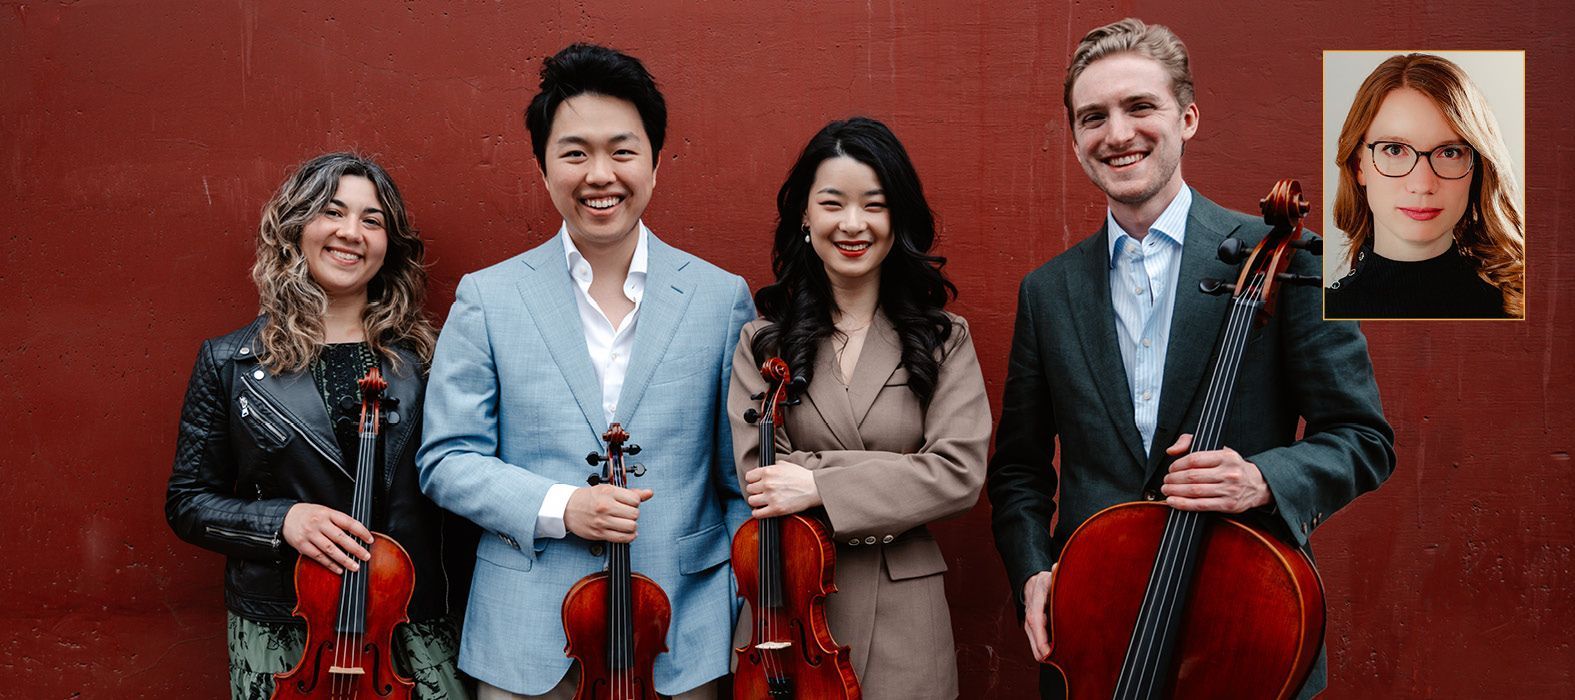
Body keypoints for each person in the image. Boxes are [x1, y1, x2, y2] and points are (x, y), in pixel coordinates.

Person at [985, 18, 1396, 699]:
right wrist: (1033, 570)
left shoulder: (1296, 259)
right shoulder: (1047, 292)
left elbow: (1362, 438)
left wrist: (1260, 479)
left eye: (1139, 107)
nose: (1117, 133)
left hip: (1240, 628)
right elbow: (1019, 473)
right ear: (1076, 139)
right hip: (1096, 636)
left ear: (1187, 118)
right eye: (1093, 117)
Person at [416, 44, 753, 699]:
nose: (600, 174)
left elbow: (736, 480)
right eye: (574, 153)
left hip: (682, 636)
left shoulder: (719, 298)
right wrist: (562, 507)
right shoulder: (489, 297)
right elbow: (447, 459)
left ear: (655, 162)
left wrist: (739, 608)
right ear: (543, 168)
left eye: (622, 151)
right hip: (527, 639)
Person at [165, 152, 473, 699]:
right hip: (285, 628)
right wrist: (282, 520)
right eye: (332, 212)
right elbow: (188, 502)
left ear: (389, 244)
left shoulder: (431, 362)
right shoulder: (230, 361)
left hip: (411, 623)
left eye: (372, 220)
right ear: (296, 227)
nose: (351, 232)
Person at [729, 117, 990, 699]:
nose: (853, 224)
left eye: (874, 205)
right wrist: (901, 473)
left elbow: (958, 473)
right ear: (805, 216)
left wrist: (818, 484)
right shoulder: (762, 343)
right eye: (832, 203)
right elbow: (762, 477)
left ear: (897, 218)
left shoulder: (944, 340)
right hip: (789, 613)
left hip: (907, 619)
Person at [1326, 52, 1526, 319]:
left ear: (1476, 168)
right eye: (1395, 150)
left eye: (1450, 153)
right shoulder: (1320, 314)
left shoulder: (1516, 308)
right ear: (1358, 166)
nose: (1422, 185)